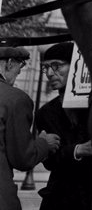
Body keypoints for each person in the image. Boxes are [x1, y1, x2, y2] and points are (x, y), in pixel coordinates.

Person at [35, 42, 92, 210]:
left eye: (56, 66)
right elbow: (50, 161)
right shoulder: (45, 113)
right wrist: (79, 150)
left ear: (77, 65)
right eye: (45, 68)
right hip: (60, 199)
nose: (49, 73)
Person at [0, 41, 60, 210]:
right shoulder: (15, 99)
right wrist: (43, 144)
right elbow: (23, 158)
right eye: (19, 70)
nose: (17, 76)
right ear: (10, 63)